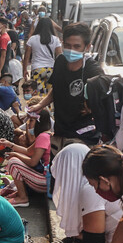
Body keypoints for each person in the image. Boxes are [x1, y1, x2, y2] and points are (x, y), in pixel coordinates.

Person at [32, 23, 102, 151]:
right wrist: (40, 105)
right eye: (68, 46)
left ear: (87, 47)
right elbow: (56, 88)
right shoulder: (60, 61)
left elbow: (104, 99)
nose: (71, 50)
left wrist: (92, 108)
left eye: (77, 46)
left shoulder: (93, 70)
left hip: (83, 135)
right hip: (60, 131)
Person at [0, 108, 52, 206]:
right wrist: (9, 144)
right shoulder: (46, 135)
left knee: (13, 162)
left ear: (39, 122)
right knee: (18, 158)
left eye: (31, 120)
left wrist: (15, 154)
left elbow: (33, 162)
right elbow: (28, 151)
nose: (28, 124)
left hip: (44, 182)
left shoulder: (43, 137)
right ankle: (20, 193)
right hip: (47, 181)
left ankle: (22, 198)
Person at [22, 16, 62, 97]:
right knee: (49, 96)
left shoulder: (32, 39)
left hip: (37, 69)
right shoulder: (55, 39)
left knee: (39, 95)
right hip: (51, 70)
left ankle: (40, 104)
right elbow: (60, 57)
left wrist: (25, 69)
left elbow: (26, 57)